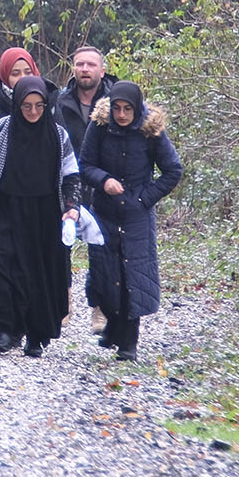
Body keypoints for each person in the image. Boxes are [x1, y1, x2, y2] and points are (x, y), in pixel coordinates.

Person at [0, 76, 82, 357]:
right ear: (16, 105)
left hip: (44, 213)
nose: (32, 112)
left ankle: (36, 334)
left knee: (38, 273)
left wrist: (71, 206)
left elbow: (71, 175)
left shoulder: (58, 136)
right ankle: (5, 329)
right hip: (4, 207)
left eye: (38, 105)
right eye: (26, 106)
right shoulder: (1, 130)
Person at [79, 80, 183, 361]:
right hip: (105, 212)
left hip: (136, 216)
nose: (122, 115)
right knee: (105, 273)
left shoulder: (150, 131)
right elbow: (85, 164)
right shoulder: (99, 126)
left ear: (136, 108)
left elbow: (173, 170)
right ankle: (113, 329)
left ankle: (129, 343)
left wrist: (143, 199)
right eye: (117, 108)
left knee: (132, 276)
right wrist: (105, 180)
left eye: (127, 109)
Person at [54, 45, 116, 332]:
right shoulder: (59, 101)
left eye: (91, 65)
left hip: (102, 181)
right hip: (66, 180)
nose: (85, 70)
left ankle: (99, 309)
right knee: (60, 244)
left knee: (101, 247)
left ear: (102, 70)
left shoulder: (117, 101)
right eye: (79, 64)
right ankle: (61, 301)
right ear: (73, 69)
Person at [0, 46, 53, 160]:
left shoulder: (49, 104)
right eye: (15, 73)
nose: (22, 78)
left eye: (28, 72)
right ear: (5, 75)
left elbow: (61, 146)